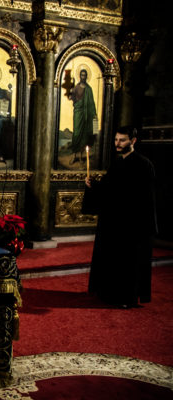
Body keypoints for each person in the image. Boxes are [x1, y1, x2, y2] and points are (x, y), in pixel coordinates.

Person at [83, 126, 157, 308]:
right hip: (114, 221)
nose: (117, 143)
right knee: (112, 259)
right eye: (116, 140)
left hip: (132, 223)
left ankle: (126, 298)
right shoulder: (117, 163)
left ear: (133, 141)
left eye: (122, 140)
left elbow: (143, 197)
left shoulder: (143, 164)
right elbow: (109, 188)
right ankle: (108, 293)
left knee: (128, 262)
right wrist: (93, 185)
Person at [68, 69, 97, 164]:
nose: (83, 77)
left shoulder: (89, 89)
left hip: (86, 115)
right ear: (80, 76)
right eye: (81, 75)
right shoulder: (76, 87)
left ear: (86, 77)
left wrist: (94, 116)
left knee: (84, 135)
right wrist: (71, 91)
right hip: (78, 112)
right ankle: (74, 155)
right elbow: (71, 98)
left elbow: (92, 104)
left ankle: (80, 156)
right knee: (76, 133)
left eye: (84, 75)